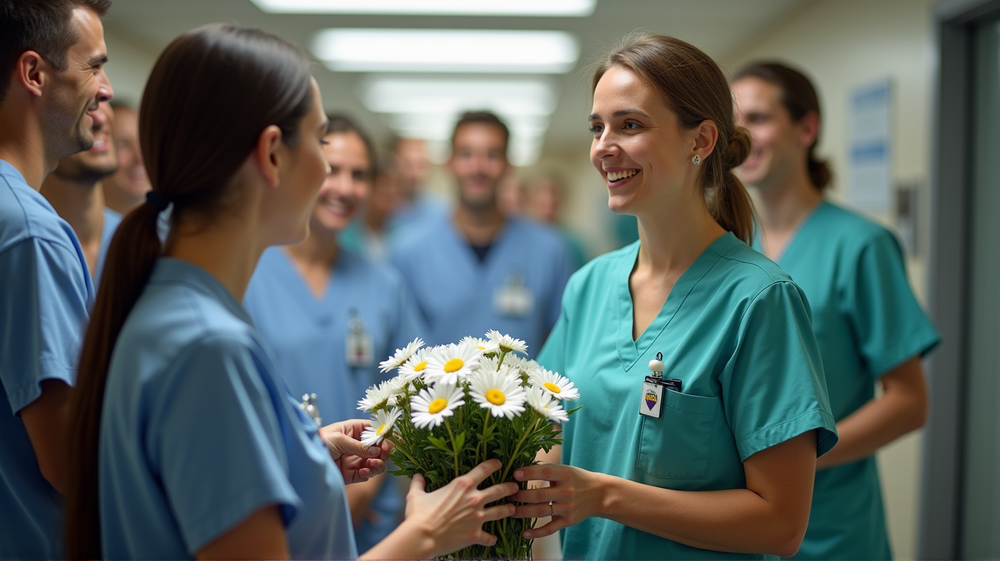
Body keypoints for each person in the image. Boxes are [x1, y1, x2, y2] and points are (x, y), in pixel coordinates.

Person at [64, 24, 517, 561]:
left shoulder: (178, 310)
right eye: (321, 142)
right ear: (273, 154)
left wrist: (299, 456)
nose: (329, 173)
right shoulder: (207, 347)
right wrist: (427, 534)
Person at [509, 34, 839, 560]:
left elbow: (780, 524)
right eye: (597, 127)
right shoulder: (590, 286)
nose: (603, 147)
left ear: (700, 140)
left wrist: (605, 496)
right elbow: (550, 429)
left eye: (630, 125)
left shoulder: (758, 301)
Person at [731, 62, 939, 561]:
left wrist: (795, 464)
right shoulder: (730, 246)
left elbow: (909, 401)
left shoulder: (861, 245)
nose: (743, 136)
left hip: (831, 530)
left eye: (758, 118)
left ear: (806, 129)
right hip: (739, 522)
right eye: (734, 123)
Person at [243, 114, 427, 552]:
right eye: (332, 169)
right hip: (273, 501)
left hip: (368, 512)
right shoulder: (247, 273)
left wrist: (363, 487)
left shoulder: (384, 284)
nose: (345, 188)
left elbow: (413, 392)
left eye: (359, 175)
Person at [0, 1, 113, 558]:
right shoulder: (30, 232)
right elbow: (70, 460)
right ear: (34, 74)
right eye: (94, 66)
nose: (107, 90)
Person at [390, 111, 572, 355]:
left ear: (508, 165)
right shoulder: (408, 252)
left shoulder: (549, 251)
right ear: (449, 163)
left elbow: (561, 345)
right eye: (466, 154)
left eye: (492, 155)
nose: (478, 167)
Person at [41, 100, 121, 284]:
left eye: (101, 100)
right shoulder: (18, 242)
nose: (99, 118)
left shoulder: (147, 243)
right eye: (83, 103)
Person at [525, 174, 589, 271]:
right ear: (531, 199)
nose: (549, 199)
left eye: (553, 193)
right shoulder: (523, 243)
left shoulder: (573, 245)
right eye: (543, 192)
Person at [102, 101, 148, 215]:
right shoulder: (75, 223)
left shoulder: (173, 221)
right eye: (122, 144)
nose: (140, 158)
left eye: (144, 142)